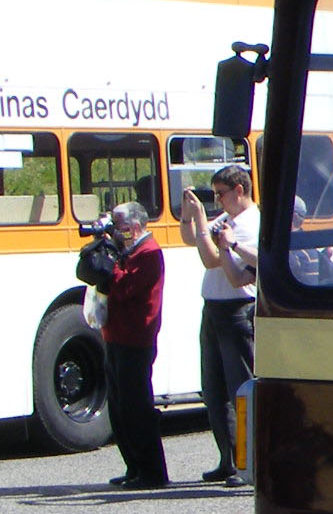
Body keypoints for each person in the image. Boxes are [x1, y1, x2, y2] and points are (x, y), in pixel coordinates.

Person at [179, 163, 257, 487]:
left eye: (220, 194)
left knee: (240, 389)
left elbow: (211, 258)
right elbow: (192, 240)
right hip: (213, 308)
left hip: (236, 309)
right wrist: (188, 216)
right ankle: (228, 459)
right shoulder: (227, 219)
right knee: (214, 391)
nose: (217, 200)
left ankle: (246, 463)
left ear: (239, 190)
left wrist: (200, 220)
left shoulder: (250, 223)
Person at [99, 200, 168, 488]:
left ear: (136, 225)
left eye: (120, 226)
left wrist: (109, 265)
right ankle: (133, 466)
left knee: (136, 407)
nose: (117, 231)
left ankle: (152, 472)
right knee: (118, 408)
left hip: (136, 339)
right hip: (115, 336)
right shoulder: (128, 251)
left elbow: (125, 288)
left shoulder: (149, 252)